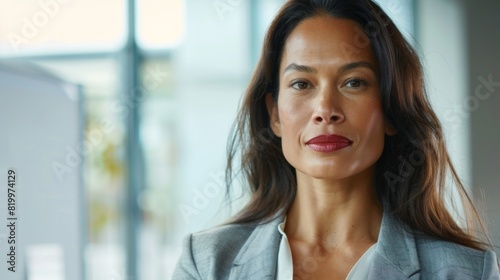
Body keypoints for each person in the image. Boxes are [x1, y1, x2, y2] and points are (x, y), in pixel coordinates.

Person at [173, 0, 500, 279]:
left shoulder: (465, 271)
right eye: (302, 84)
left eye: (354, 82)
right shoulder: (207, 263)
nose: (325, 110)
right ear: (274, 114)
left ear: (389, 110)